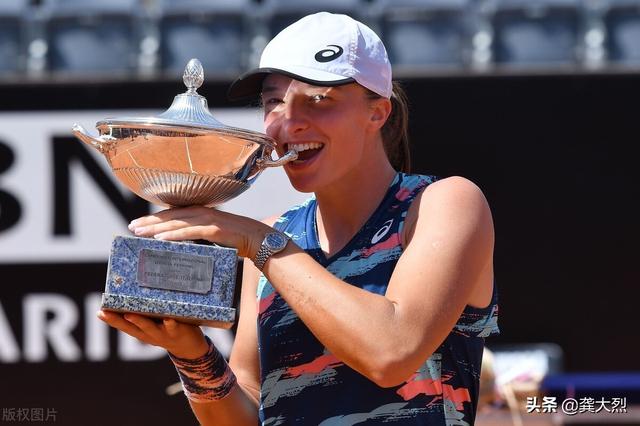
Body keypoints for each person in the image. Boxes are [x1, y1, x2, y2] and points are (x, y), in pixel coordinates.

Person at [98, 11, 499, 426]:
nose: (288, 122)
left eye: (318, 100)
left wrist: (261, 243)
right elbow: (248, 411)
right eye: (273, 102)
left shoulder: (444, 203)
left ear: (377, 113)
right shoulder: (276, 238)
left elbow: (391, 354)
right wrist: (193, 355)